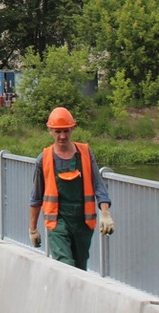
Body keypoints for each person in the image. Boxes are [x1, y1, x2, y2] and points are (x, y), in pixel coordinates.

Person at [28, 107, 115, 270]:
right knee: (65, 264)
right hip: (57, 222)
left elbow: (99, 186)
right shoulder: (44, 159)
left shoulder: (85, 154)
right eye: (58, 131)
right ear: (50, 131)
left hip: (83, 223)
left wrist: (105, 212)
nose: (62, 136)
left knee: (80, 267)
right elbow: (36, 197)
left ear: (73, 129)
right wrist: (33, 229)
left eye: (66, 131)